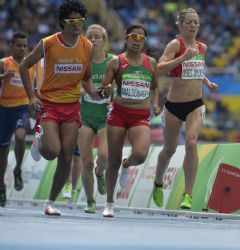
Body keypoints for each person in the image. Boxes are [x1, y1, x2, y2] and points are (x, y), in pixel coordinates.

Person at [19, 0, 101, 216]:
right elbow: (23, 65)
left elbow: (86, 79)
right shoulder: (48, 43)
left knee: (66, 155)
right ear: (63, 22)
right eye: (72, 20)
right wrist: (30, 97)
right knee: (52, 151)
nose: (77, 24)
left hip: (72, 106)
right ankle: (40, 138)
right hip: (49, 104)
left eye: (80, 20)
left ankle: (50, 202)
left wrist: (95, 92)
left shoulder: (88, 47)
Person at [152, 8, 218, 210]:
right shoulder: (175, 44)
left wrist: (206, 82)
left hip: (195, 104)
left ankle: (187, 195)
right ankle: (158, 182)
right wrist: (182, 57)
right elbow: (159, 69)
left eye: (196, 22)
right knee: (169, 150)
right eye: (188, 22)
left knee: (191, 143)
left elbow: (196, 68)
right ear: (179, 25)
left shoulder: (202, 47)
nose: (192, 26)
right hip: (173, 106)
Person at [101, 23, 160, 217]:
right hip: (118, 114)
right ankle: (109, 202)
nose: (137, 41)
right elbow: (103, 89)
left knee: (141, 154)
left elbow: (154, 87)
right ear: (126, 38)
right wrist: (107, 90)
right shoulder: (116, 62)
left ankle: (127, 165)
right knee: (113, 160)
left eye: (141, 38)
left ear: (144, 41)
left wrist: (156, 104)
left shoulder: (151, 62)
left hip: (140, 116)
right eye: (133, 37)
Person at [78, 24, 115, 213]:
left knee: (104, 156)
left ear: (104, 41)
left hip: (104, 117)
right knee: (86, 162)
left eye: (97, 37)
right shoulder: (82, 61)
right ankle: (90, 201)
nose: (93, 40)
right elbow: (72, 87)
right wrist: (86, 91)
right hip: (85, 116)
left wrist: (111, 92)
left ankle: (100, 173)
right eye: (89, 37)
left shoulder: (113, 61)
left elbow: (119, 88)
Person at [0, 32, 35, 207]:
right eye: (19, 45)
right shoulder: (4, 63)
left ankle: (18, 169)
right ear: (11, 46)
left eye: (25, 46)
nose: (22, 48)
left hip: (22, 108)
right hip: (3, 110)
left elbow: (37, 86)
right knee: (3, 153)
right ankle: (1, 187)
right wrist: (2, 78)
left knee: (21, 137)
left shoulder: (31, 64)